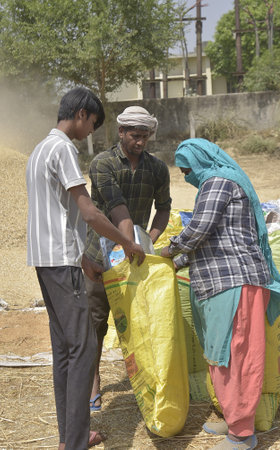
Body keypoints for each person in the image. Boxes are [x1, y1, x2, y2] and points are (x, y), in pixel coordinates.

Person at [160, 138, 280, 450]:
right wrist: (175, 262)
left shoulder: (218, 182)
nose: (186, 176)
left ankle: (243, 434)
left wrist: (167, 250)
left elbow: (200, 229)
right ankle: (232, 417)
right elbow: (215, 239)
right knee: (221, 355)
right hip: (222, 284)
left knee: (237, 357)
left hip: (236, 283)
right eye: (181, 171)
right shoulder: (216, 183)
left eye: (188, 168)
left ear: (203, 160)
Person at [26, 87, 145, 450]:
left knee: (65, 349)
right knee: (83, 349)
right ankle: (74, 441)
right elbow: (89, 212)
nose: (91, 130)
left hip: (48, 260)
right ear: (80, 114)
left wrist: (85, 258)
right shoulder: (63, 148)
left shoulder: (39, 149)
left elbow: (57, 216)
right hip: (61, 264)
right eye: (92, 122)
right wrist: (127, 242)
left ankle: (71, 436)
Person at [83, 106, 171, 411]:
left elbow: (163, 208)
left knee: (140, 324)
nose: (141, 142)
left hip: (135, 260)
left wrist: (148, 242)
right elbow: (115, 205)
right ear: (121, 132)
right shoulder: (102, 163)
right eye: (135, 136)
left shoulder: (158, 169)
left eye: (145, 137)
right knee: (95, 324)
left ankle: (144, 385)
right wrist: (130, 243)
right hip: (99, 258)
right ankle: (92, 385)